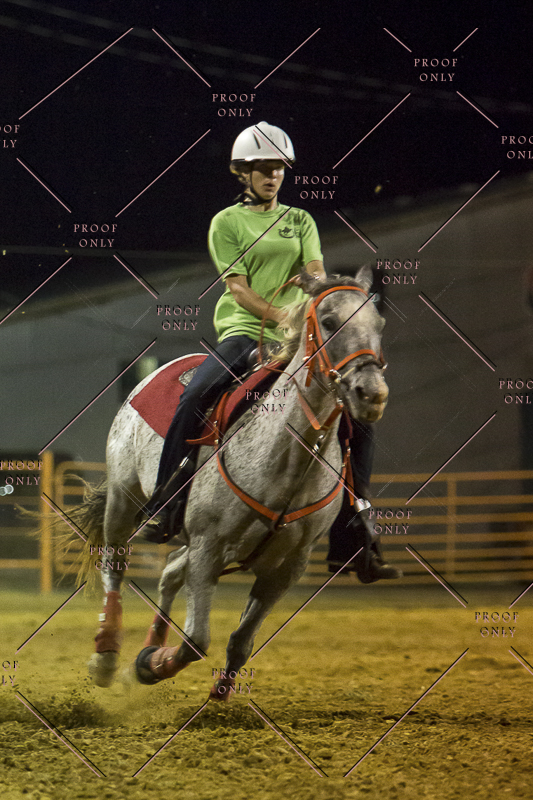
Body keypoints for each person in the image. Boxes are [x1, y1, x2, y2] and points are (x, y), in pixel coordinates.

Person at [143, 121, 400, 584]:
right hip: (245, 333)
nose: (273, 175)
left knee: (356, 418)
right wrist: (281, 315)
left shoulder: (301, 221)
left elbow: (315, 271)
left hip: (299, 338)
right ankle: (166, 503)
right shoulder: (226, 223)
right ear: (242, 173)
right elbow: (239, 291)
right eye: (263, 168)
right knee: (195, 395)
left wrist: (316, 288)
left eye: (279, 168)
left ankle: (357, 536)